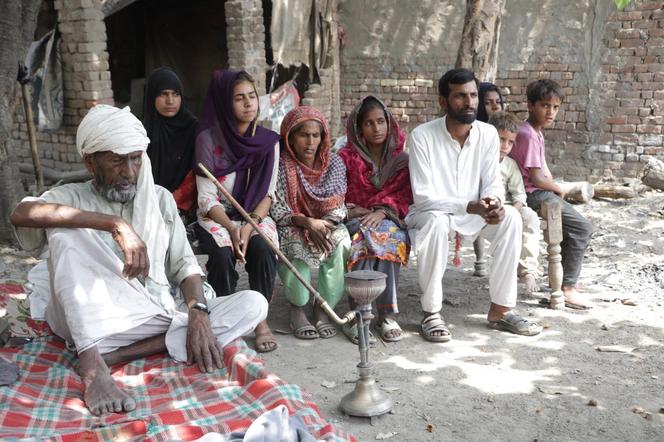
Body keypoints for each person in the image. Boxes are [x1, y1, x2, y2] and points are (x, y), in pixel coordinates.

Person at [9, 105, 267, 416]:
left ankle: (116, 356)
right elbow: (21, 213)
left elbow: (185, 267)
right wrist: (113, 224)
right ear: (90, 162)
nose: (129, 172)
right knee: (66, 233)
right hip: (91, 321)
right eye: (117, 160)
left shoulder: (158, 198)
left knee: (254, 304)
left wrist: (198, 313)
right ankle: (92, 364)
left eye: (135, 159)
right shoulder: (72, 196)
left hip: (149, 314)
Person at [406, 68, 543, 342]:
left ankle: (501, 310)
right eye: (459, 97)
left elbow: (492, 181)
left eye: (472, 95)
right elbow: (423, 197)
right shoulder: (423, 136)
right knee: (435, 222)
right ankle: (431, 312)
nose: (469, 103)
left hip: (475, 212)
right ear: (443, 102)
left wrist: (493, 202)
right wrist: (470, 206)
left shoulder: (488, 134)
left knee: (512, 220)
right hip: (433, 213)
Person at [194, 69, 280, 352]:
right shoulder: (208, 141)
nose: (248, 104)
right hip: (217, 215)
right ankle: (226, 318)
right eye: (239, 98)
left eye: (252, 97)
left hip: (255, 214)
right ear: (224, 103)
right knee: (220, 254)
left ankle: (260, 320)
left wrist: (251, 224)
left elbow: (268, 193)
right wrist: (232, 228)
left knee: (263, 248)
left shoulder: (269, 141)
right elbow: (206, 199)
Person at [510, 79, 593, 309]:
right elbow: (536, 179)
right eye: (545, 105)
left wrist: (555, 186)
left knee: (573, 227)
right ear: (530, 105)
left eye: (555, 107)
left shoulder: (536, 132)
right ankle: (567, 289)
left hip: (539, 190)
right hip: (532, 194)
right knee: (583, 227)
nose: (551, 112)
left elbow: (542, 170)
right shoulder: (527, 133)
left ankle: (566, 280)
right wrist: (558, 188)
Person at [271, 106, 350, 340]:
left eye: (316, 135)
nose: (310, 142)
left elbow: (338, 202)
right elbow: (277, 205)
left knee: (341, 241)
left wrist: (322, 224)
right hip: (292, 221)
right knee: (293, 245)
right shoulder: (281, 163)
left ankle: (323, 307)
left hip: (327, 222)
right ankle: (297, 308)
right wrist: (306, 222)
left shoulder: (333, 163)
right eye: (303, 135)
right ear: (290, 137)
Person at [338, 96, 412, 343]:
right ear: (359, 129)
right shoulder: (346, 158)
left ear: (389, 123)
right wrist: (356, 211)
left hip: (388, 217)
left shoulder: (401, 160)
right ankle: (359, 314)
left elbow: (404, 195)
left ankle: (387, 314)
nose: (377, 128)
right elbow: (337, 194)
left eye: (381, 121)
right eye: (369, 123)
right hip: (354, 217)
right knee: (364, 236)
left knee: (390, 236)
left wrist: (383, 211)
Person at [489, 111, 541, 293]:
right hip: (482, 209)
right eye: (501, 139)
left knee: (530, 217)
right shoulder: (479, 159)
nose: (505, 146)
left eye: (510, 142)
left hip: (506, 208)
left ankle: (528, 270)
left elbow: (520, 195)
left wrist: (514, 210)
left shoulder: (510, 165)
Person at [143, 67, 198, 212]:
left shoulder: (194, 128)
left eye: (176, 94)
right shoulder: (141, 132)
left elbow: (196, 175)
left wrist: (173, 203)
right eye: (163, 94)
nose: (170, 101)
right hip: (149, 204)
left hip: (187, 206)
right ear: (151, 97)